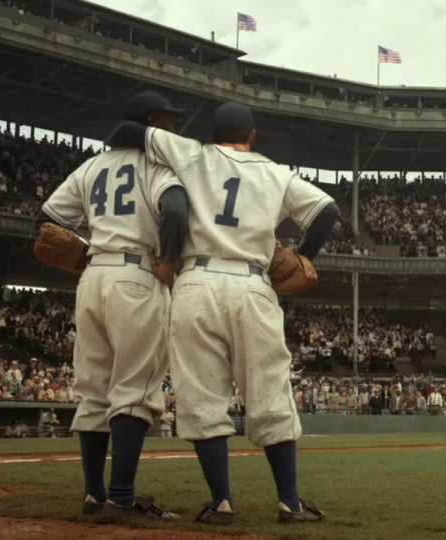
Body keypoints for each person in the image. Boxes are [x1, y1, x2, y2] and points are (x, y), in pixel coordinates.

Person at [116, 101, 338, 524]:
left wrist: (159, 136)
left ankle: (221, 502)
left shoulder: (192, 153)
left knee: (201, 396)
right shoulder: (274, 171)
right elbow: (328, 210)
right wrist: (303, 255)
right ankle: (289, 502)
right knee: (270, 392)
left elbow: (127, 128)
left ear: (214, 134)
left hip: (196, 282)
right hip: (253, 283)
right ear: (252, 137)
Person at [36, 90, 187, 520]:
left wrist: (84, 253)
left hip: (92, 277)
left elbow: (45, 221)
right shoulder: (155, 164)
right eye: (168, 120)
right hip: (136, 277)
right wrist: (170, 263)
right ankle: (121, 499)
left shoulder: (90, 166)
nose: (173, 128)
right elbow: (175, 211)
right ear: (152, 120)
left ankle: (93, 495)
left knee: (95, 391)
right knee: (134, 391)